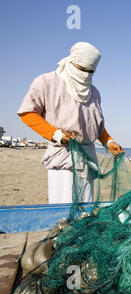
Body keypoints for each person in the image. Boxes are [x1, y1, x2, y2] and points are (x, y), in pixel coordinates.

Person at [17, 42, 124, 204]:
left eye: (91, 71)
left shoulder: (94, 92)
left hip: (88, 159)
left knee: (85, 210)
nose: (86, 75)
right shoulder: (47, 82)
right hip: (63, 157)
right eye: (82, 69)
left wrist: (108, 141)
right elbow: (28, 113)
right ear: (71, 62)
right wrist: (56, 134)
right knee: (63, 209)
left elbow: (94, 125)